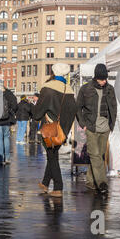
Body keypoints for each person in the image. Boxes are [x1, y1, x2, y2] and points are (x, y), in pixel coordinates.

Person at [33, 63, 77, 197]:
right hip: (62, 130)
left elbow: (37, 113)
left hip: (49, 128)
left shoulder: (47, 88)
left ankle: (58, 187)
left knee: (52, 157)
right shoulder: (69, 90)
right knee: (53, 155)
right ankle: (45, 183)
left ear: (53, 72)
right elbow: (72, 111)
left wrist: (33, 112)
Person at [76, 64, 117, 194]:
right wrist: (83, 124)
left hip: (105, 128)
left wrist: (112, 124)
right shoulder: (85, 89)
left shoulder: (110, 89)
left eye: (106, 78)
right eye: (102, 78)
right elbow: (77, 108)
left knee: (99, 155)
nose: (105, 81)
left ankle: (90, 181)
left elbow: (114, 107)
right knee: (94, 154)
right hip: (91, 127)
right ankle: (102, 183)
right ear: (96, 77)